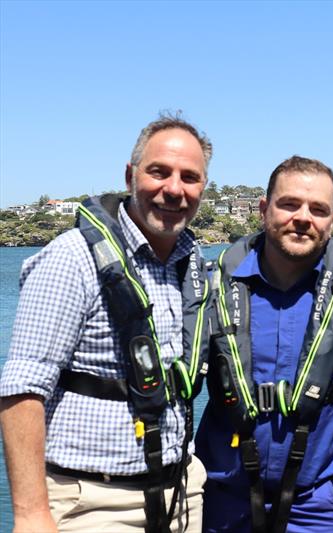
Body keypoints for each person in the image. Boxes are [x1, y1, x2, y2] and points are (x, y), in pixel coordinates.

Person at [0, 113, 214, 533]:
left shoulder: (191, 265)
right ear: (130, 175)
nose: (174, 189)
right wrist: (30, 514)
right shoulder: (72, 258)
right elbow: (22, 388)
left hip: (180, 493)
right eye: (159, 172)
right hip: (94, 503)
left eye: (190, 177)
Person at [195, 156, 333, 533]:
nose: (303, 217)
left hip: (320, 506)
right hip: (225, 502)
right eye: (289, 204)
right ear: (264, 209)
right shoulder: (211, 290)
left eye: (318, 209)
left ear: (332, 219)